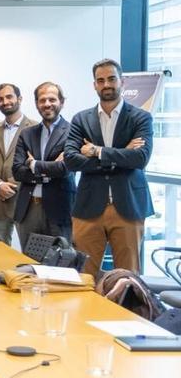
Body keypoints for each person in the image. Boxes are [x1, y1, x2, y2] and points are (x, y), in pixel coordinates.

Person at [65, 58, 153, 275]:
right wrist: (122, 154)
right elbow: (71, 160)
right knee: (84, 274)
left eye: (112, 79)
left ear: (122, 82)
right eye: (101, 80)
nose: (106, 84)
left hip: (128, 205)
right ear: (94, 85)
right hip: (89, 206)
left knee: (127, 275)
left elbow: (140, 158)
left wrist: (98, 151)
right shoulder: (81, 119)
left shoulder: (141, 117)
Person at [13, 82, 76, 247]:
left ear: (62, 102)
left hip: (59, 210)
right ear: (36, 104)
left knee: (60, 260)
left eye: (52, 99)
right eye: (42, 100)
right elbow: (17, 171)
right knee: (29, 260)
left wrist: (34, 164)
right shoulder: (27, 134)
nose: (47, 104)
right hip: (28, 210)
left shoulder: (73, 132)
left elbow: (65, 169)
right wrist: (50, 171)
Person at [0, 83, 35, 245]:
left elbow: (36, 163)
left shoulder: (35, 128)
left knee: (31, 254)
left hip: (26, 202)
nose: (5, 102)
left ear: (19, 99)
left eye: (9, 97)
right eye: (0, 99)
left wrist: (11, 185)